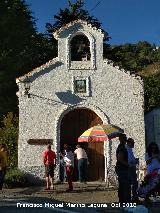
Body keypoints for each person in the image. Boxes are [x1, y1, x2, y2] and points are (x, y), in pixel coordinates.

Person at [115, 133, 131, 205]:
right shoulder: (121, 147)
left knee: (123, 185)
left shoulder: (123, 147)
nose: (126, 139)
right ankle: (124, 202)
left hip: (122, 169)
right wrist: (128, 165)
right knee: (124, 186)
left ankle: (123, 202)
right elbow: (120, 158)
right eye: (124, 138)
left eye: (126, 138)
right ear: (121, 139)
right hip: (122, 169)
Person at [126, 138, 139, 202]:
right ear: (129, 143)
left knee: (134, 183)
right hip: (130, 168)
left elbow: (131, 159)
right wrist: (135, 161)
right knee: (133, 183)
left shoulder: (130, 149)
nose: (134, 144)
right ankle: (133, 197)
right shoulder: (127, 149)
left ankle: (134, 196)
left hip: (131, 167)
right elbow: (129, 161)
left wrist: (135, 160)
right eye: (133, 142)